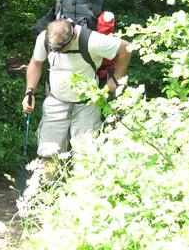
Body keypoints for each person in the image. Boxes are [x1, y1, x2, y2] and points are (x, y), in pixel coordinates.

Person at [22, 18, 131, 162]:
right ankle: (49, 177)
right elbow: (36, 63)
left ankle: (79, 176)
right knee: (48, 155)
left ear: (72, 37)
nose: (57, 52)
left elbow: (125, 48)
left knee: (85, 157)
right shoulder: (45, 39)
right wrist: (29, 92)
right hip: (56, 101)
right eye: (54, 49)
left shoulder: (91, 40)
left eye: (60, 48)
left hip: (87, 105)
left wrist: (116, 79)